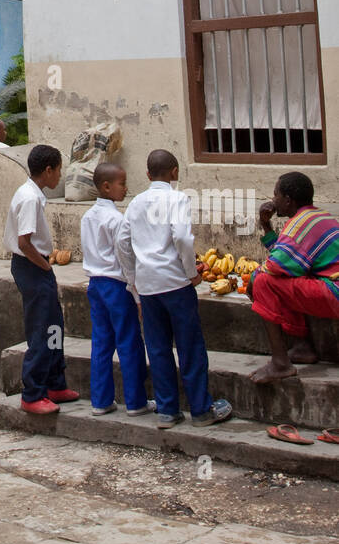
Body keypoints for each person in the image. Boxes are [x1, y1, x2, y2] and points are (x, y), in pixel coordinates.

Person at [117, 149, 232, 429]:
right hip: (175, 284)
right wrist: (191, 273)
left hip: (147, 285)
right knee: (190, 346)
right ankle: (201, 410)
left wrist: (133, 280)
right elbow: (181, 236)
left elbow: (122, 242)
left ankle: (168, 410)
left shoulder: (136, 203)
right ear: (175, 172)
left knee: (157, 348)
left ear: (147, 174)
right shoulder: (177, 198)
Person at [3, 144, 79, 414]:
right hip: (31, 267)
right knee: (41, 329)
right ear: (48, 170)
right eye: (59, 170)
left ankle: (55, 382)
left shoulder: (32, 194)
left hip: (37, 266)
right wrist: (45, 267)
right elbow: (24, 243)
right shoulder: (30, 198)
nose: (60, 176)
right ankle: (33, 393)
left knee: (54, 326)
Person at [248, 172, 339, 383]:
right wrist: (266, 225)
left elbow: (274, 267)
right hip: (330, 287)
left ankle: (280, 363)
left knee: (262, 282)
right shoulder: (316, 216)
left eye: (276, 195)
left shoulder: (300, 225)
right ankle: (301, 347)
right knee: (279, 280)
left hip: (334, 292)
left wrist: (254, 280)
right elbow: (287, 258)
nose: (273, 200)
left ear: (288, 200)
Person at [80, 162, 152, 417]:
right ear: (106, 186)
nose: (126, 188)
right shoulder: (116, 219)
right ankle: (135, 402)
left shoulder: (88, 216)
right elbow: (125, 258)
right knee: (129, 341)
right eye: (122, 184)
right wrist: (136, 291)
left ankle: (101, 401)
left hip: (95, 284)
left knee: (101, 342)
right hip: (116, 285)